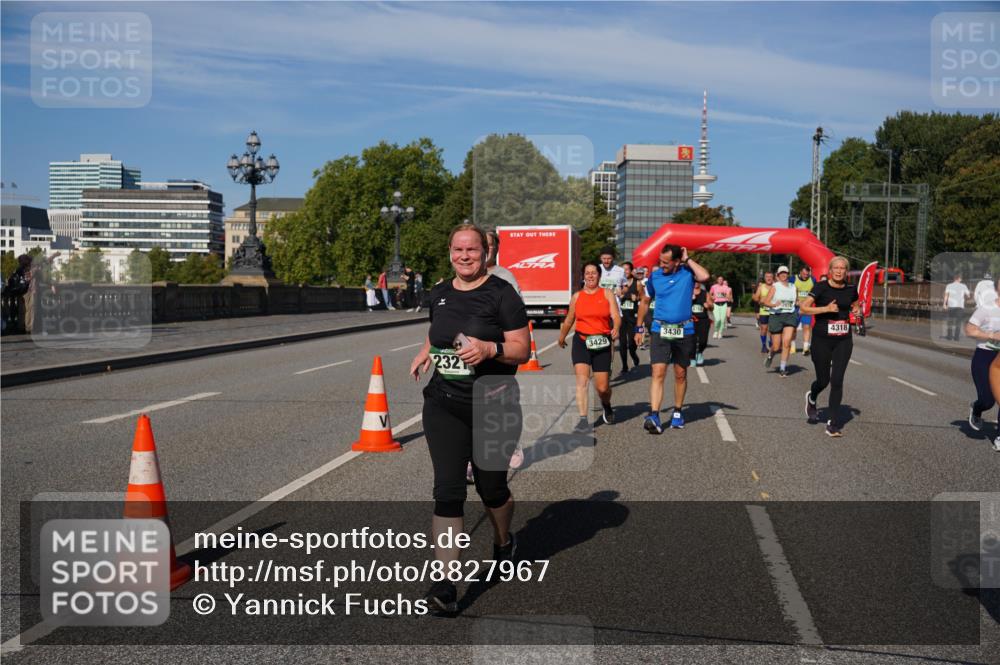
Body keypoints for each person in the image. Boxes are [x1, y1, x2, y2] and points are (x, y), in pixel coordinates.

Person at [409, 223, 530, 613]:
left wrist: (490, 348)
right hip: (444, 403)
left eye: (472, 250)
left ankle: (503, 541)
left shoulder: (502, 294)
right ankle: (446, 584)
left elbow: (522, 349)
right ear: (449, 252)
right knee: (448, 491)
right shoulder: (440, 293)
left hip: (494, 404)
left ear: (485, 253)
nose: (465, 256)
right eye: (458, 250)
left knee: (491, 488)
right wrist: (425, 352)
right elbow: (438, 332)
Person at [633, 244, 710, 433]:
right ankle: (654, 414)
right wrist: (639, 326)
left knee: (680, 374)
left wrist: (687, 259)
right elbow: (645, 300)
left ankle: (677, 411)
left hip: (684, 331)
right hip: (660, 329)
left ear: (676, 262)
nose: (662, 265)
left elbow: (705, 276)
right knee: (658, 372)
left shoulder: (687, 272)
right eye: (660, 261)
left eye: (666, 262)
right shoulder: (655, 276)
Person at [799, 256, 861, 438]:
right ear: (830, 270)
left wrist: (856, 311)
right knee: (823, 380)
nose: (840, 271)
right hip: (822, 339)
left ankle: (833, 423)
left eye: (843, 268)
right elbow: (803, 308)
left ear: (846, 271)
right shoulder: (820, 287)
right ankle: (812, 397)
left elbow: (855, 306)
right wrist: (825, 309)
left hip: (843, 339)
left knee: (837, 380)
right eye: (836, 268)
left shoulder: (851, 289)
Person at [558, 262, 621, 427]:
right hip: (582, 341)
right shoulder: (577, 296)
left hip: (602, 342)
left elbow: (615, 315)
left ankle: (606, 405)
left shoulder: (607, 293)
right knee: (582, 381)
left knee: (602, 387)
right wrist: (562, 337)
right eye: (587, 273)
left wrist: (616, 327)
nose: (591, 276)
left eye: (594, 273)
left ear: (599, 275)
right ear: (583, 276)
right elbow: (569, 319)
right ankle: (583, 419)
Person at [964, 276, 1000, 451]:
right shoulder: (986, 309)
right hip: (984, 356)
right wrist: (992, 336)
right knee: (988, 400)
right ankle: (977, 408)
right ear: (997, 288)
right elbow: (969, 329)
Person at [762, 266, 798, 377]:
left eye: (785, 273)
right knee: (776, 346)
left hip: (790, 315)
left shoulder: (793, 287)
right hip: (776, 316)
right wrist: (774, 304)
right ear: (777, 275)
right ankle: (770, 355)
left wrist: (801, 303)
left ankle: (783, 368)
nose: (783, 275)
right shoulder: (775, 287)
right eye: (781, 273)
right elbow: (766, 302)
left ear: (788, 274)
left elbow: (796, 301)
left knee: (786, 343)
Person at [616, 261, 641, 375]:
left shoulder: (637, 283)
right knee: (622, 343)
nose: (624, 272)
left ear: (631, 271)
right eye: (622, 269)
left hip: (633, 317)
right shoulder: (618, 283)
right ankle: (624, 366)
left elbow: (642, 297)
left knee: (631, 343)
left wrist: (637, 297)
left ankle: (634, 355)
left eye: (626, 269)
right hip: (621, 317)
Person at [486, 230, 522, 296]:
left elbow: (514, 304)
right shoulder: (464, 275)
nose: (485, 249)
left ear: (496, 249)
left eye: (489, 245)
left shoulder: (504, 276)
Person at [794, 266, 816, 355]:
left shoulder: (812, 280)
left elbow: (816, 291)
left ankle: (805, 348)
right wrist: (795, 300)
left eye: (807, 274)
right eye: (804, 274)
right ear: (800, 272)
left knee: (806, 327)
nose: (805, 276)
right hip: (796, 307)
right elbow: (789, 289)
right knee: (793, 327)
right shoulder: (794, 278)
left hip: (807, 307)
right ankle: (792, 346)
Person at [691, 280, 713, 366]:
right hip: (690, 320)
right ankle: (692, 358)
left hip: (703, 319)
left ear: (700, 283)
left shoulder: (705, 293)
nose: (696, 283)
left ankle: (699, 353)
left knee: (703, 341)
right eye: (694, 281)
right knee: (691, 341)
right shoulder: (687, 292)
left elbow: (712, 307)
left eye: (697, 281)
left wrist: (709, 305)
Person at [752, 272, 775, 354]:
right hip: (764, 311)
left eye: (770, 276)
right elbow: (755, 297)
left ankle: (772, 343)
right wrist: (759, 300)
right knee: (764, 329)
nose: (769, 278)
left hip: (774, 311)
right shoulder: (761, 287)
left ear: (773, 278)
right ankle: (764, 345)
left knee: (773, 329)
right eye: (767, 277)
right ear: (764, 278)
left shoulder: (776, 286)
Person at [944, 273, 970, 341]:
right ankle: (956, 337)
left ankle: (949, 337)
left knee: (950, 322)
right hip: (960, 306)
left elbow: (946, 295)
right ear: (958, 279)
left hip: (951, 306)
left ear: (954, 279)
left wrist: (944, 304)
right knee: (958, 322)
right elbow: (968, 296)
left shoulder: (949, 285)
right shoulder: (963, 286)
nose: (961, 279)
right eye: (961, 278)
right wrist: (965, 298)